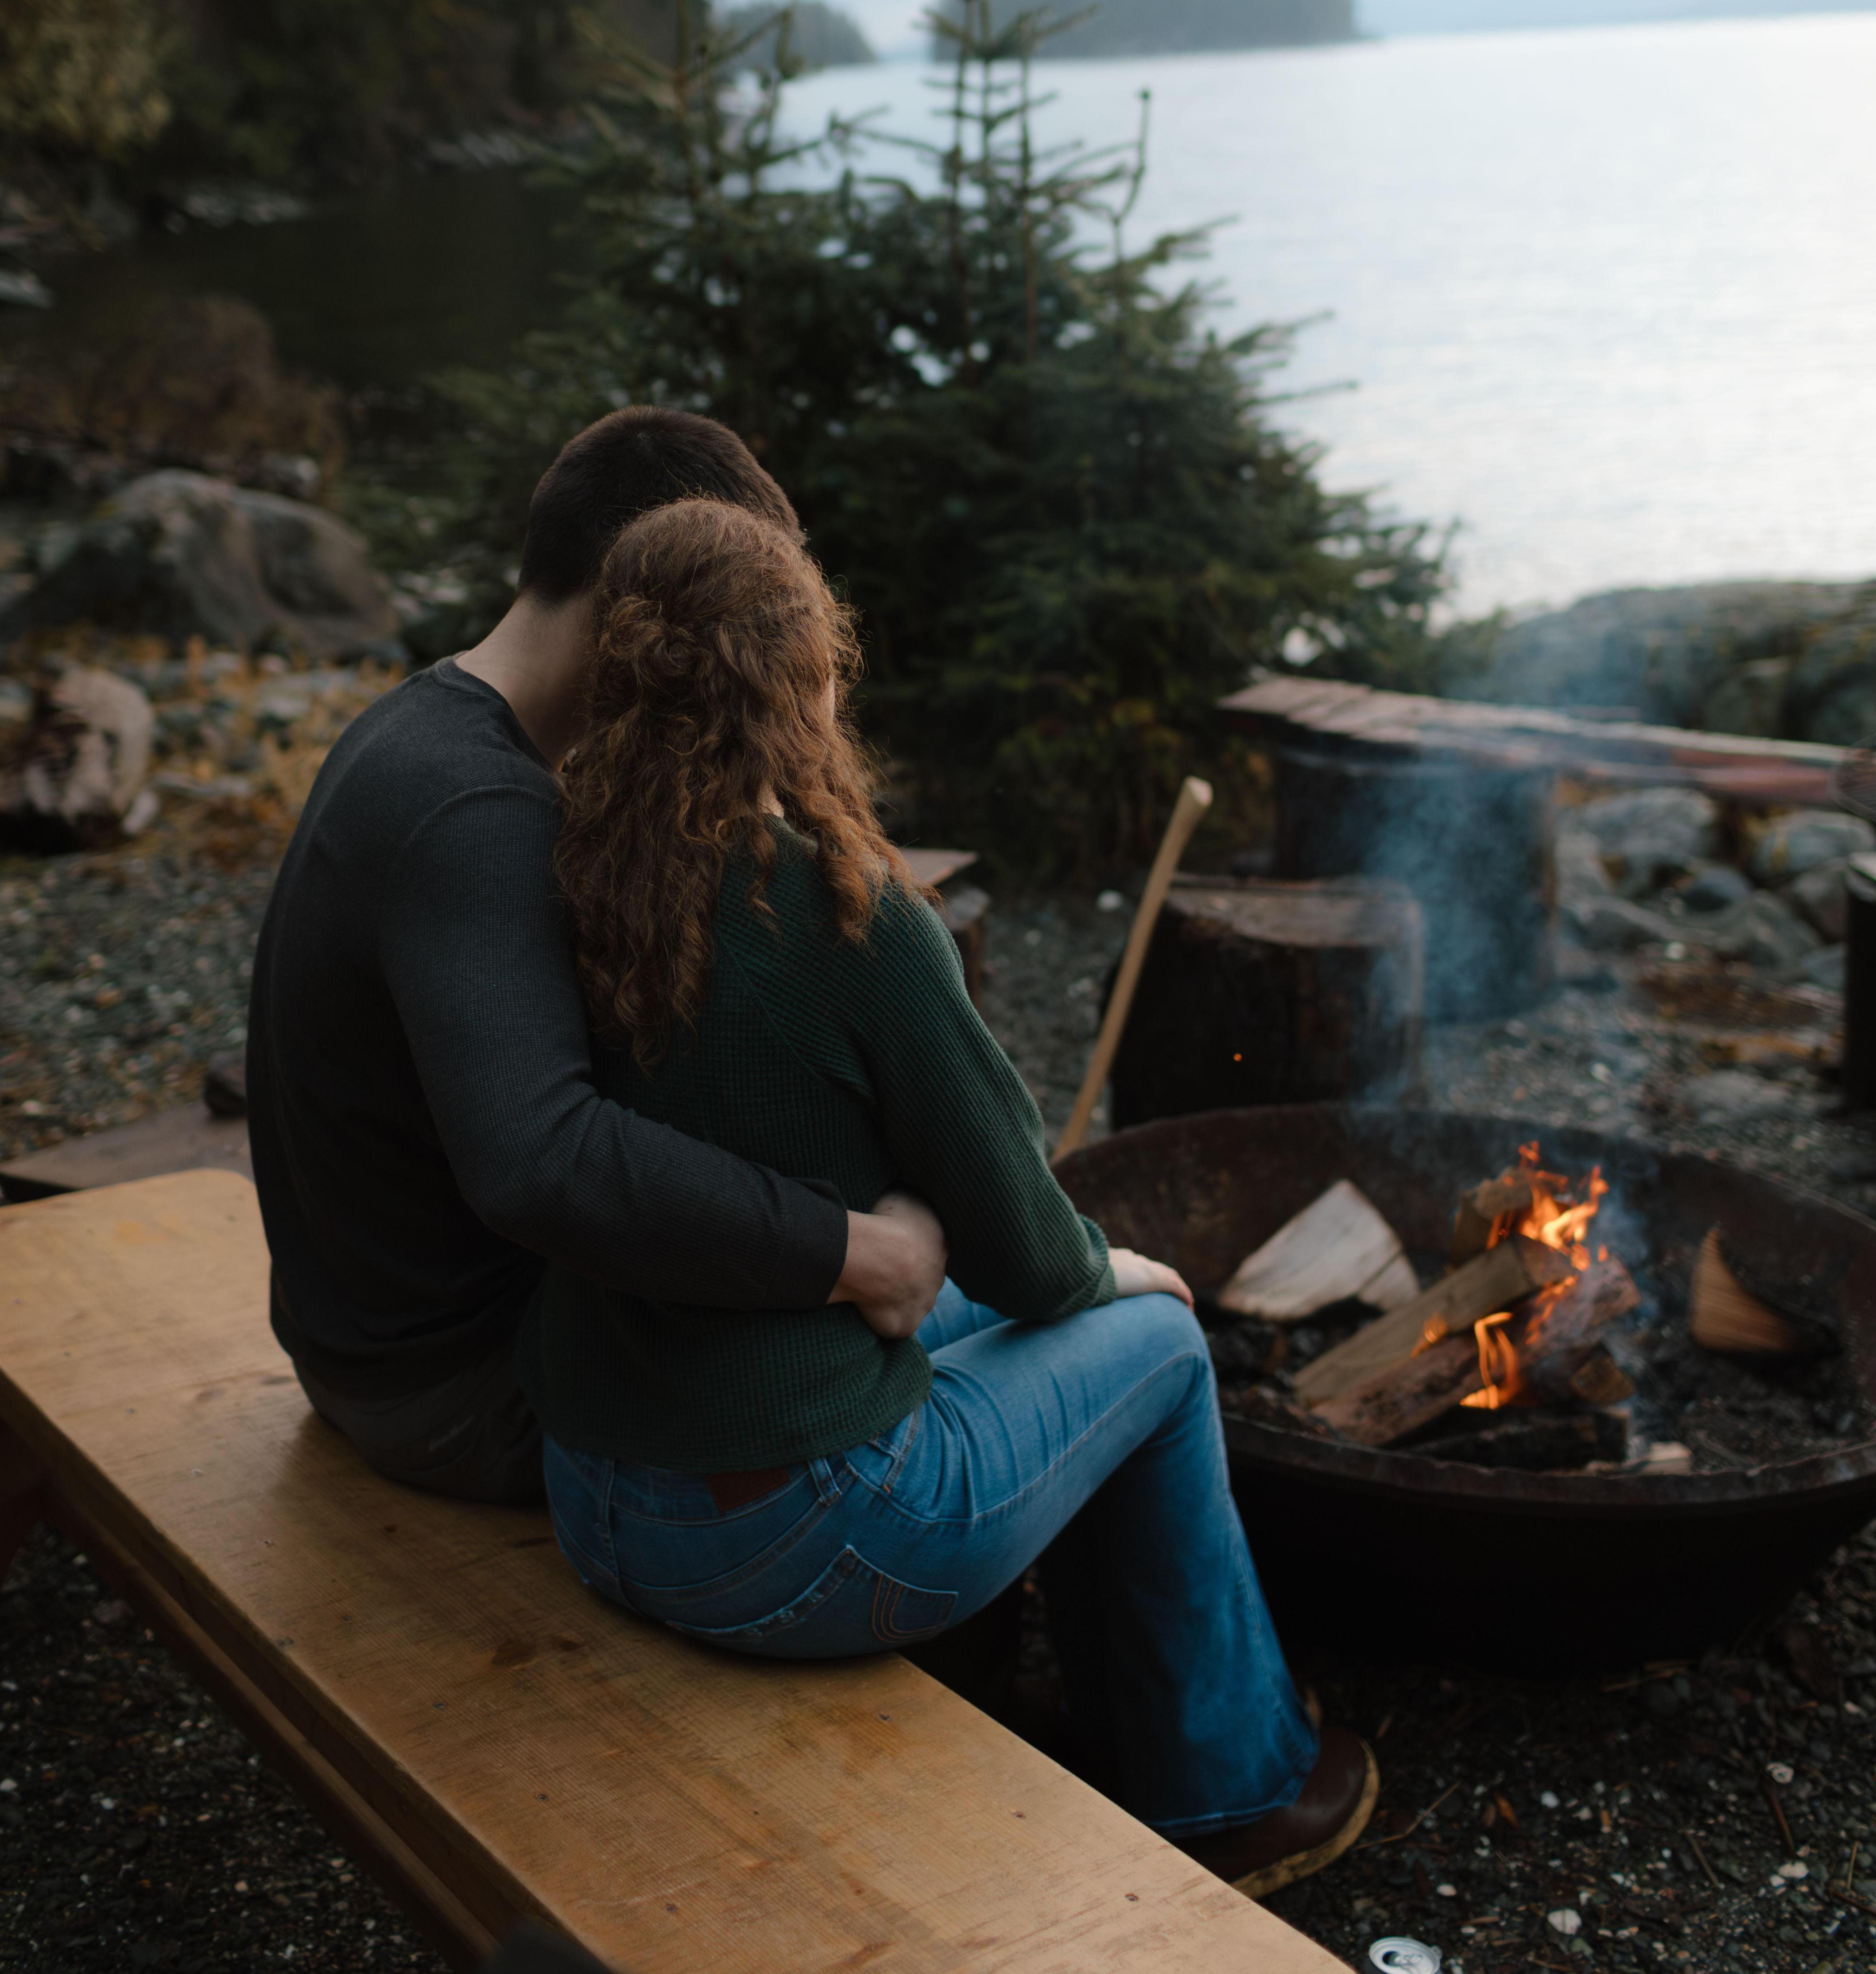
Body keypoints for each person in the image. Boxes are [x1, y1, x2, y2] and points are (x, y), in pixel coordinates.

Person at [522, 493, 1379, 1893]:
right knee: (1155, 1344)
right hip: (778, 1549)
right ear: (806, 681)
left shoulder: (564, 876)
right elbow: (1037, 1256)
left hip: (597, 1498)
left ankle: (1120, 1710)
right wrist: (1120, 1273)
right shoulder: (853, 917)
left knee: (994, 1310)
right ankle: (1229, 1789)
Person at [244, 409, 947, 1508]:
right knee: (941, 1342)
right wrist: (854, 1252)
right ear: (642, 593)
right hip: (458, 1397)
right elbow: (543, 1159)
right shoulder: (477, 811)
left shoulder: (421, 729)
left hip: (369, 1347)